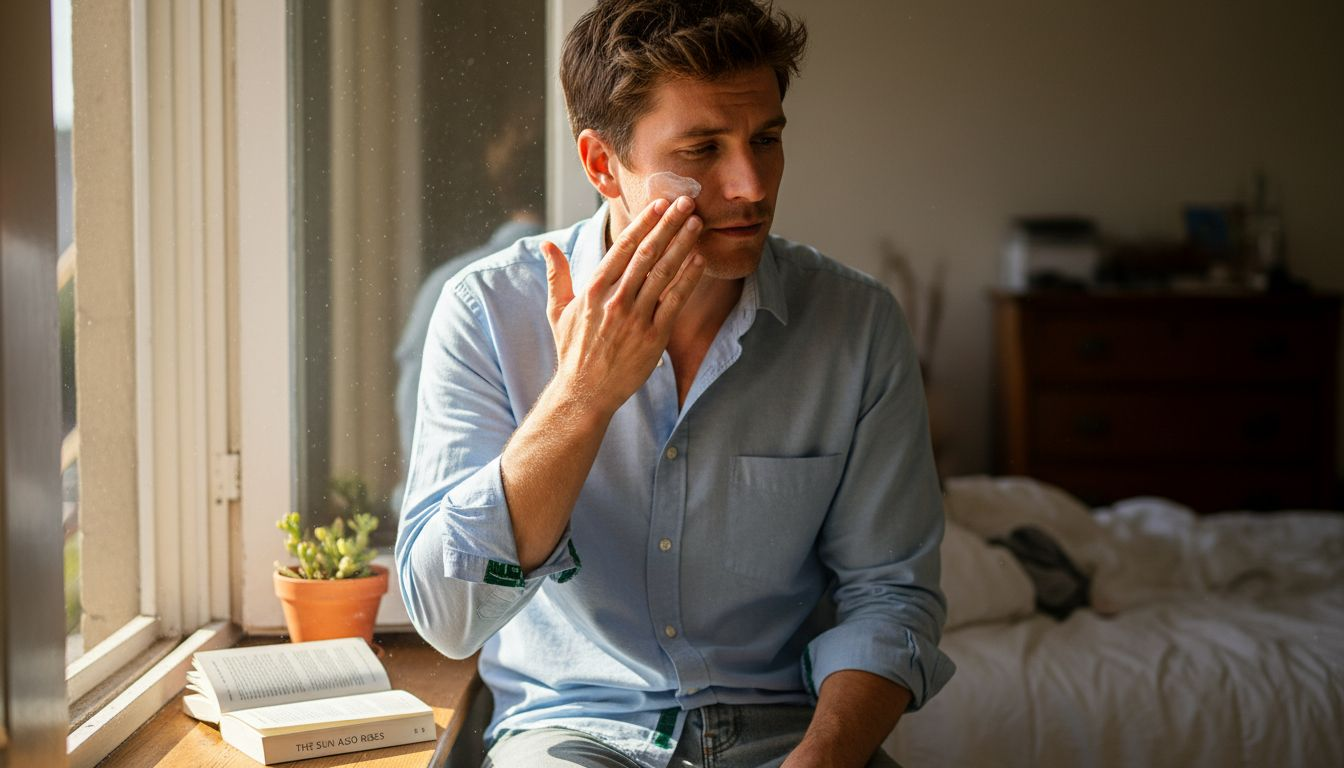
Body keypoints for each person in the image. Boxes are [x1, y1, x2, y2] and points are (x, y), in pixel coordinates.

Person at [395, 1, 954, 766]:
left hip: (793, 733)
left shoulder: (857, 325)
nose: (751, 186)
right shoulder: (487, 311)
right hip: (574, 732)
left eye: (766, 140)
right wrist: (581, 398)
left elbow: (889, 597)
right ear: (601, 165)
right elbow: (448, 616)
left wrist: (819, 760)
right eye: (702, 151)